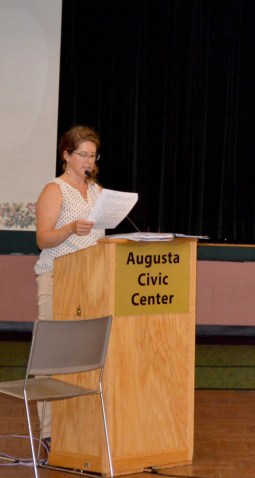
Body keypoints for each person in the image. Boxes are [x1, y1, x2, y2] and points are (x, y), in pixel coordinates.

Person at [33, 125, 106, 446]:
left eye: (93, 155)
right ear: (66, 155)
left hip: (91, 282)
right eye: (83, 155)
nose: (88, 161)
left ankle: (80, 427)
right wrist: (70, 228)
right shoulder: (54, 189)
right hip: (57, 278)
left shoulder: (97, 191)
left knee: (85, 356)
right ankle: (49, 432)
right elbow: (43, 238)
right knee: (53, 356)